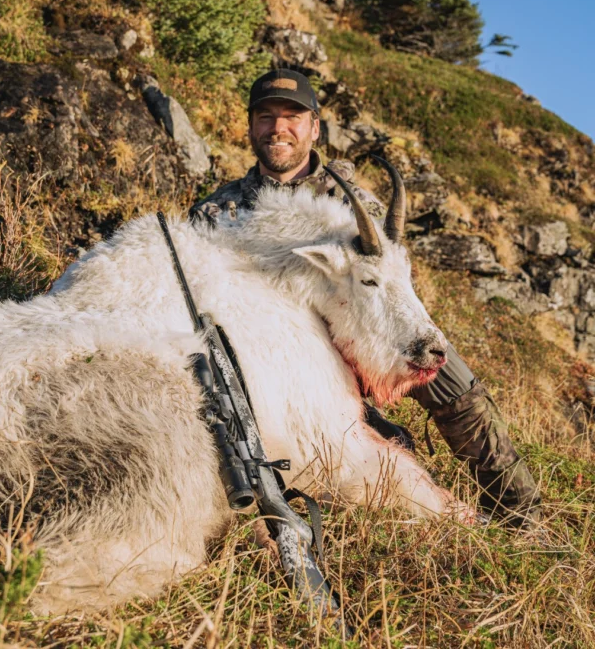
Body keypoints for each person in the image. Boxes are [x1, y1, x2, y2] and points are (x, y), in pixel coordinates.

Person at [190, 69, 542, 526]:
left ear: (314, 127)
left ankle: (518, 504)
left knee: (444, 372)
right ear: (251, 126)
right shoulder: (219, 210)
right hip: (270, 349)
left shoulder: (355, 203)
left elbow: (384, 283)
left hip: (354, 327)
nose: (278, 128)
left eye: (292, 117)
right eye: (266, 116)